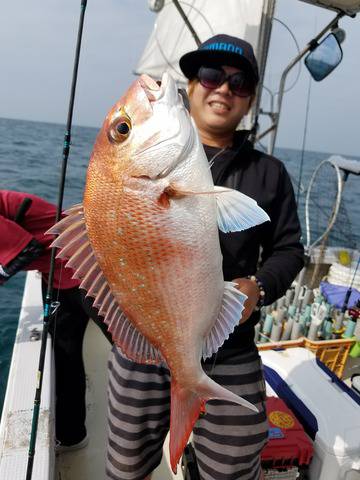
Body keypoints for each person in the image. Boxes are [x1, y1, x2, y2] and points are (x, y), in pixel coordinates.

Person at [106, 34, 304, 480]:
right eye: (212, 76)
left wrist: (261, 285)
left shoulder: (268, 173)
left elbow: (290, 249)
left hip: (231, 347)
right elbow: (105, 247)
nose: (223, 89)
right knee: (125, 463)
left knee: (233, 466)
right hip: (142, 344)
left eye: (238, 83)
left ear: (250, 99)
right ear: (192, 86)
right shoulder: (133, 175)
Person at [0, 190, 112, 451]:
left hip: (89, 271)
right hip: (59, 278)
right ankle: (72, 435)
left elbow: (26, 250)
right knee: (65, 359)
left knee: (131, 348)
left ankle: (188, 402)